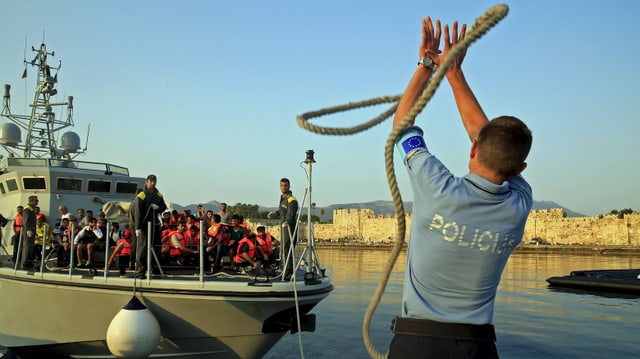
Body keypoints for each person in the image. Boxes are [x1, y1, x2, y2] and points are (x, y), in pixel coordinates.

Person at [387, 17, 533, 359]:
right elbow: (490, 143)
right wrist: (454, 74)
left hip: (416, 343)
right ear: (520, 169)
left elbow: (402, 125)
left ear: (472, 149)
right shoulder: (519, 204)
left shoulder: (436, 187)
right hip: (477, 347)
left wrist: (431, 65)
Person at [133, 174, 167, 278]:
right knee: (142, 248)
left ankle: (153, 268)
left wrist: (158, 207)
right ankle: (140, 271)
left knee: (156, 246)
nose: (153, 183)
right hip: (144, 224)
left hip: (155, 224)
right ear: (147, 182)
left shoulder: (158, 195)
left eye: (154, 181)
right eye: (151, 181)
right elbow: (138, 212)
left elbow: (164, 206)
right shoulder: (142, 195)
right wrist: (137, 227)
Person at [278, 178, 298, 277]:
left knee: (287, 248)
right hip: (283, 227)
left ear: (289, 186)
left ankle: (288, 271)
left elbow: (291, 215)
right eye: (282, 185)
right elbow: (282, 212)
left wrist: (286, 223)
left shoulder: (291, 199)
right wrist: (274, 214)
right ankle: (286, 268)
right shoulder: (282, 198)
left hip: (289, 228)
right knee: (283, 248)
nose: (283, 187)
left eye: (285, 185)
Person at [21, 196, 38, 268]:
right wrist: (28, 230)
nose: (37, 201)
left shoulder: (32, 210)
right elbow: (26, 220)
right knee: (27, 246)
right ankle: (25, 262)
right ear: (31, 201)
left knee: (30, 246)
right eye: (36, 200)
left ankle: (29, 261)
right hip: (29, 230)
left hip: (32, 230)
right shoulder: (27, 210)